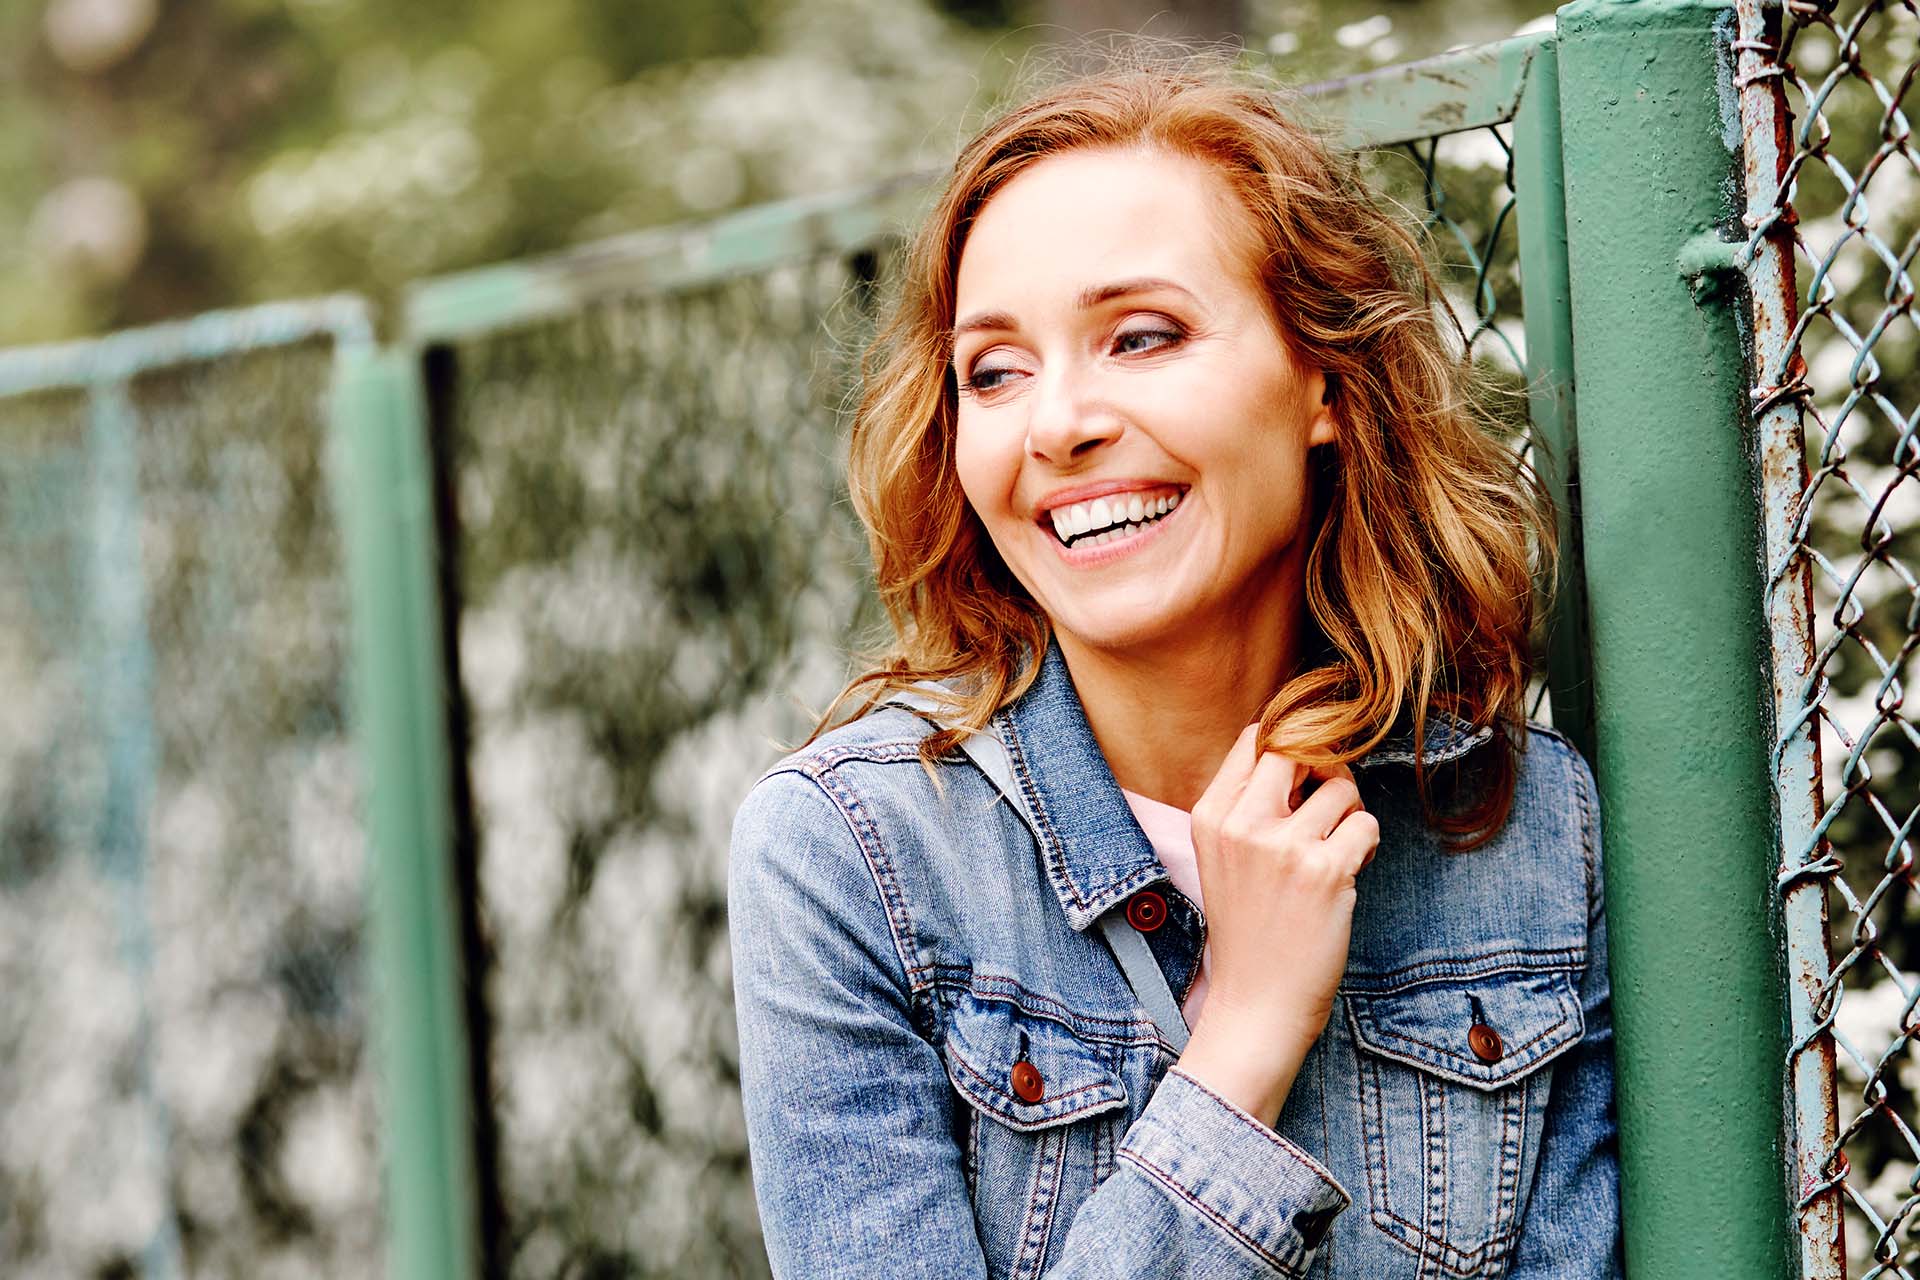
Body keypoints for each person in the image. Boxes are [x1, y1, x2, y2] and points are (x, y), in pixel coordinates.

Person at [727, 52, 1621, 1280]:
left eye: (1139, 337)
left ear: (1324, 381)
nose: (1056, 423)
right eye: (994, 369)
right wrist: (1241, 1044)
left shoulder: (1526, 831)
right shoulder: (856, 859)